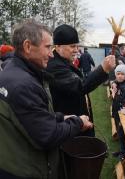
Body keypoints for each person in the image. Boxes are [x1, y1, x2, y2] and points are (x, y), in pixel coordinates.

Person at [0, 19, 93, 179]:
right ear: (28, 46)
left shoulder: (12, 72)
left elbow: (30, 116)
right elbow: (48, 136)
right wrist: (78, 122)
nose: (51, 54)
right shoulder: (24, 84)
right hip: (25, 170)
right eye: (48, 47)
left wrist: (60, 117)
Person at [47, 24, 115, 136]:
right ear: (58, 46)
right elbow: (81, 86)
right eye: (72, 46)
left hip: (77, 122)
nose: (76, 50)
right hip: (70, 127)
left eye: (77, 46)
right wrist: (103, 69)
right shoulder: (55, 66)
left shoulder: (63, 61)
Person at [111, 64, 125, 160]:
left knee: (122, 134)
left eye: (122, 74)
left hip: (122, 115)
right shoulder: (118, 84)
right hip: (117, 113)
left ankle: (124, 153)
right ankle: (121, 150)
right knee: (119, 133)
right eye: (118, 74)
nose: (120, 76)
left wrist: (114, 94)